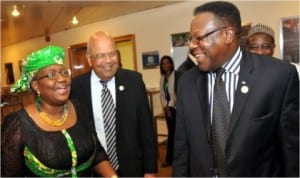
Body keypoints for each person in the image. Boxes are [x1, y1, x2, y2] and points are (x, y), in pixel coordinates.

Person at [173, 1, 299, 177]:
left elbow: (292, 151)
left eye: (198, 38)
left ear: (227, 35)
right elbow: (181, 149)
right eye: (191, 39)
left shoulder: (278, 76)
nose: (192, 46)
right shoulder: (186, 82)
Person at [1, 45, 117, 177]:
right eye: (51, 74)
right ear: (36, 85)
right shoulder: (18, 124)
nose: (62, 79)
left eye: (64, 72)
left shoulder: (80, 108)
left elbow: (97, 154)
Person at [70, 31, 157, 177]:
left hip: (132, 168)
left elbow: (146, 129)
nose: (108, 60)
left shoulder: (134, 81)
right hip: (93, 170)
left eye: (112, 54)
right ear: (89, 59)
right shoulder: (76, 88)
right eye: (101, 55)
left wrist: (150, 170)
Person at [159, 55, 176, 168]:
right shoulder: (162, 78)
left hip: (175, 108)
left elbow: (175, 93)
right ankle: (170, 159)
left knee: (175, 134)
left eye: (167, 63)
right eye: (163, 63)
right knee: (171, 134)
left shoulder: (176, 75)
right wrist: (166, 107)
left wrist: (170, 107)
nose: (165, 65)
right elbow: (162, 94)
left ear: (171, 64)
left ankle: (173, 159)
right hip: (167, 109)